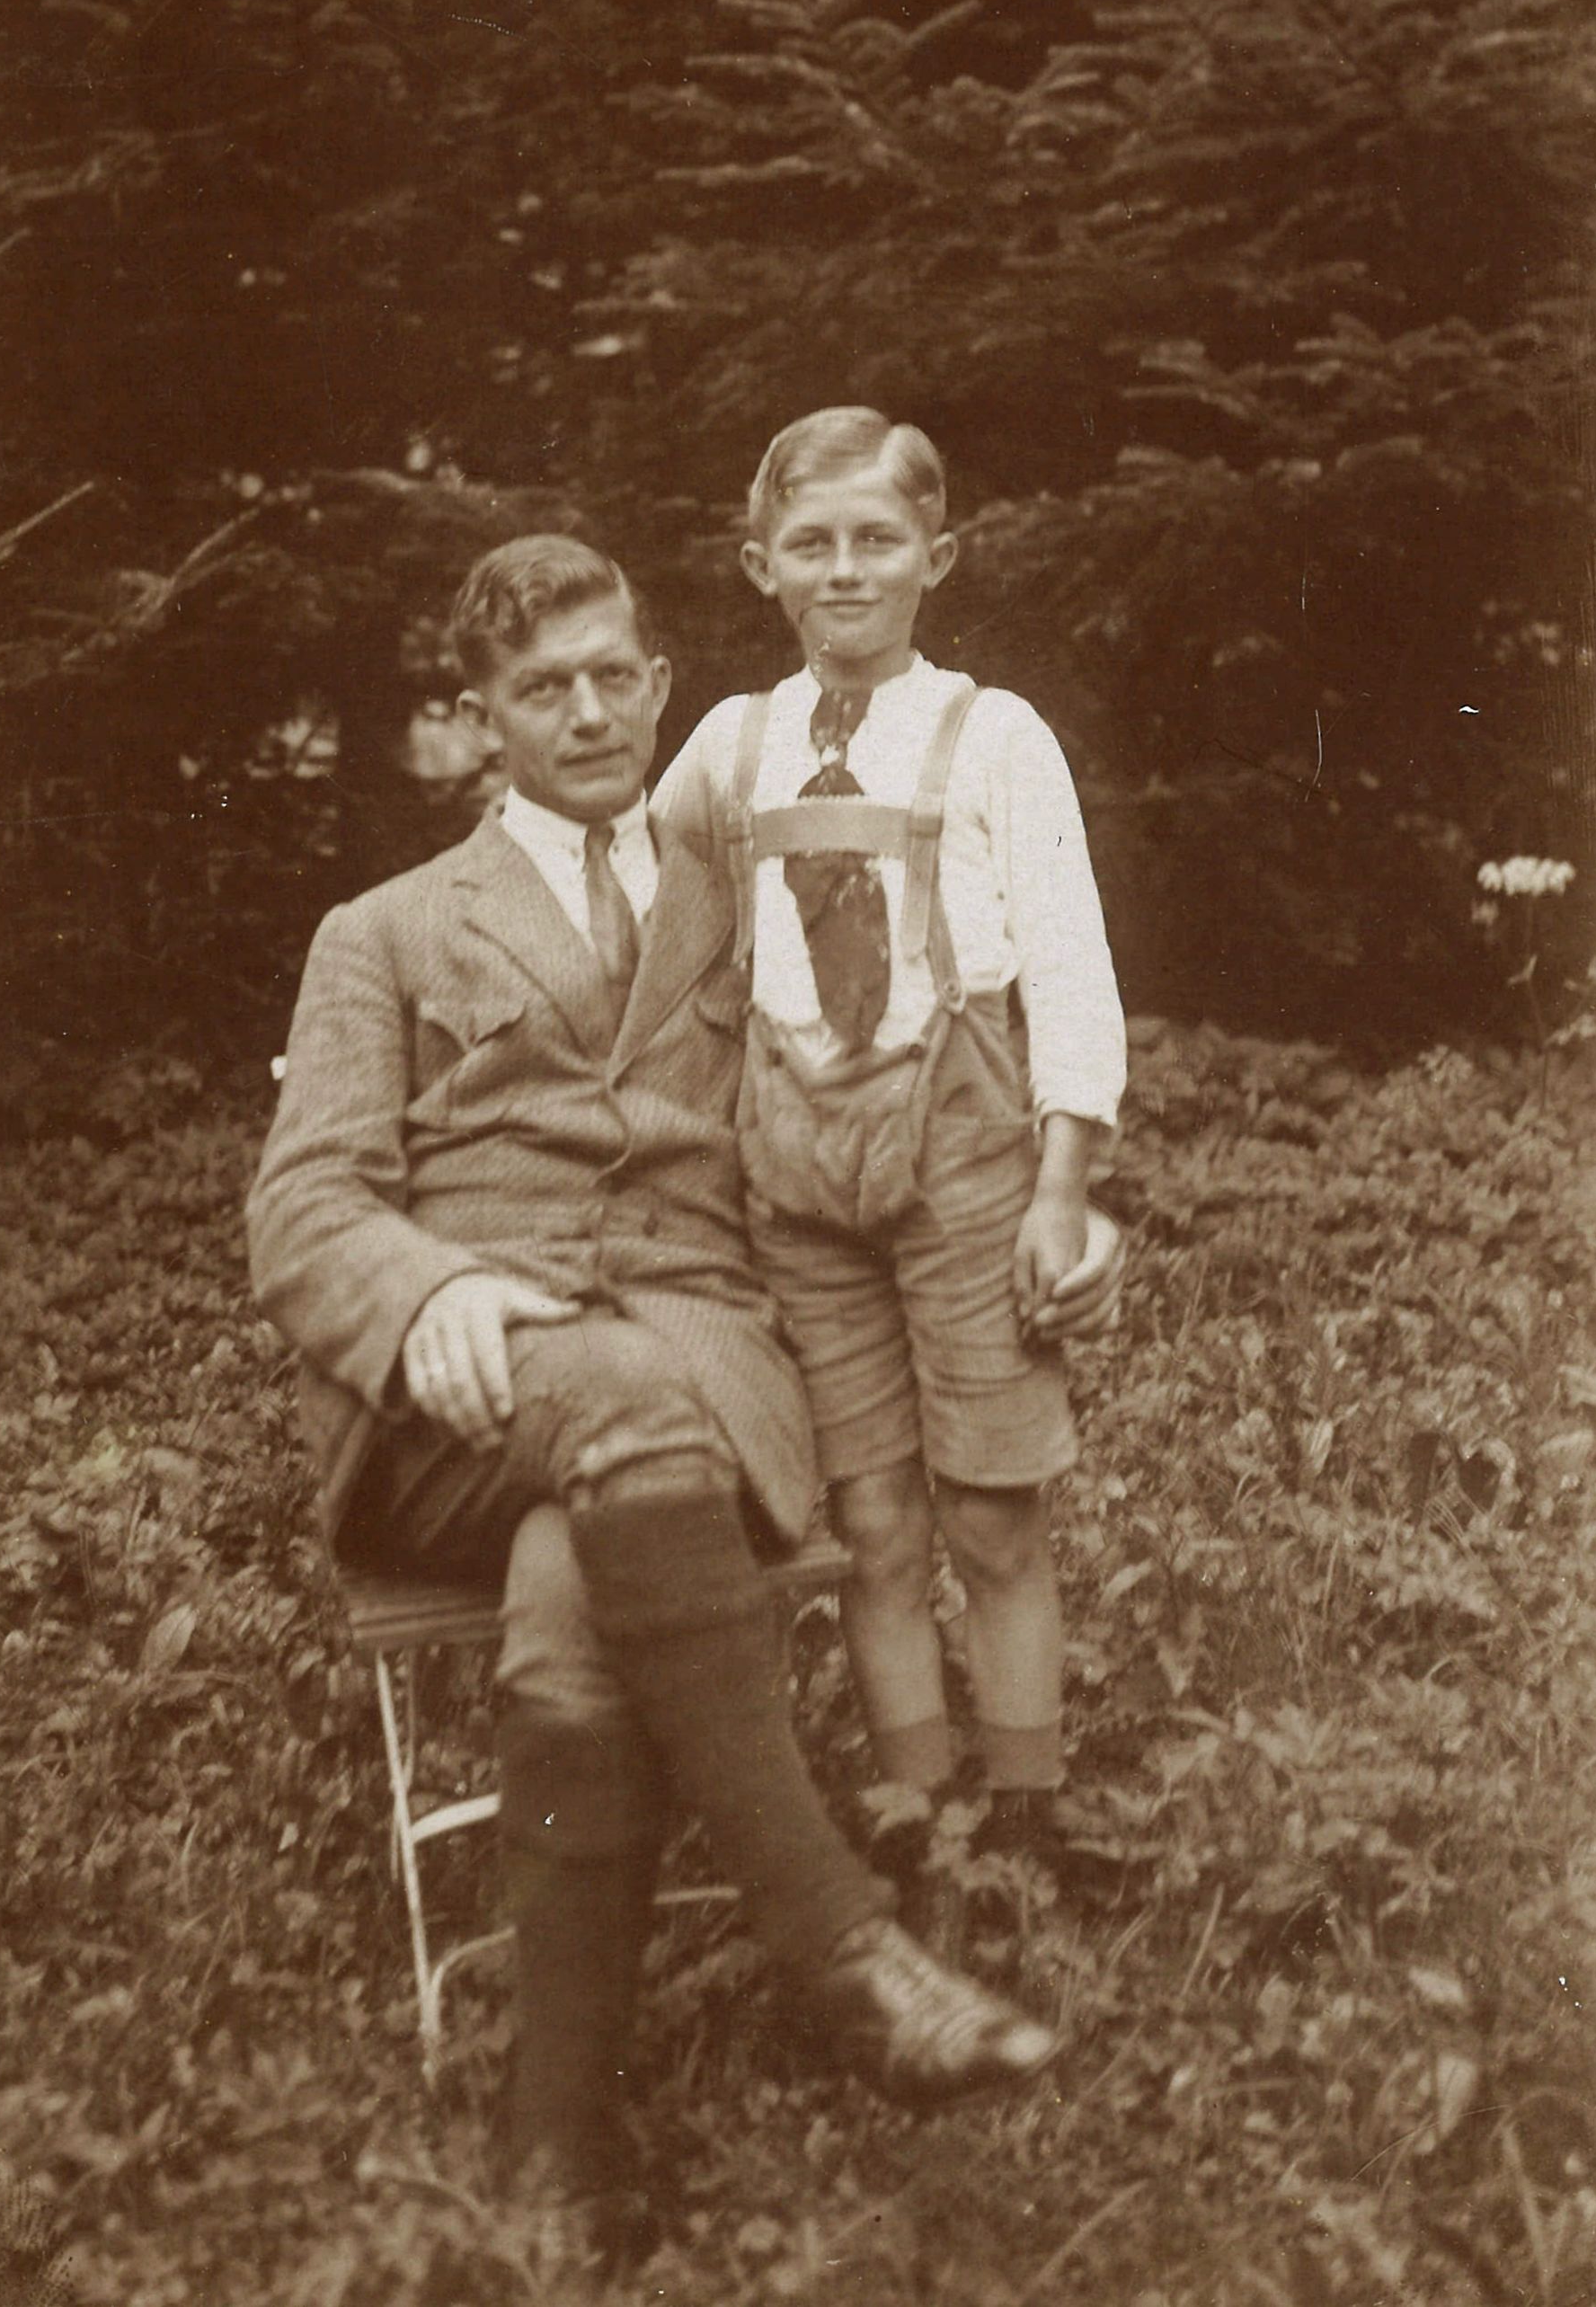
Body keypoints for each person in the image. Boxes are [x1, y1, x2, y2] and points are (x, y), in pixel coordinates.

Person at [246, 536, 1073, 2237]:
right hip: (458, 1392)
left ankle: (557, 2165)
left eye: (614, 674)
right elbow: (304, 1203)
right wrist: (430, 1287)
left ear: (660, 682)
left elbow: (912, 1064)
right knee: (608, 1408)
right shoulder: (383, 930)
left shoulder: (758, 892)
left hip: (701, 1363)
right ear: (479, 718)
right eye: (540, 687)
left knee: (577, 1569)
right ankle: (841, 1944)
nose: (587, 712)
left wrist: (1054, 1195)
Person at [652, 409, 1127, 1857]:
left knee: (990, 1512)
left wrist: (1063, 1184)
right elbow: (649, 908)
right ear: (762, 567)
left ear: (938, 556)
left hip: (964, 1153)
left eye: (876, 539)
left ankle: (1026, 1810)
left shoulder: (996, 736)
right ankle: (918, 1814)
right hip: (795, 1165)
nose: (845, 568)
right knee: (871, 1522)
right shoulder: (730, 746)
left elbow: (1069, 962)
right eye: (811, 543)